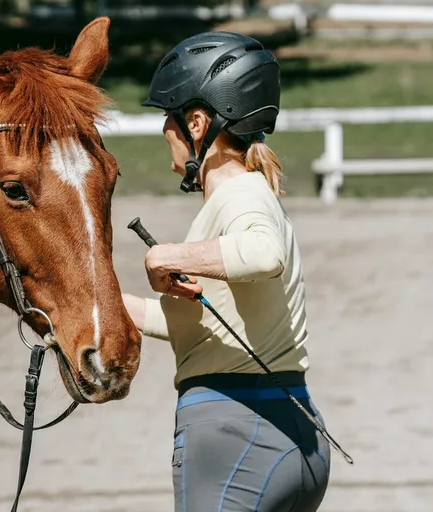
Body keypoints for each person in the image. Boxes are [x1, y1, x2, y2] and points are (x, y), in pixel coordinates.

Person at [122, 31, 334, 512]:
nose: (164, 134)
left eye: (168, 119)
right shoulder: (240, 199)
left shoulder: (239, 193)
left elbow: (263, 255)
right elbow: (203, 328)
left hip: (235, 434)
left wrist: (165, 256)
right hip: (292, 432)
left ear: (196, 122)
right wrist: (98, 307)